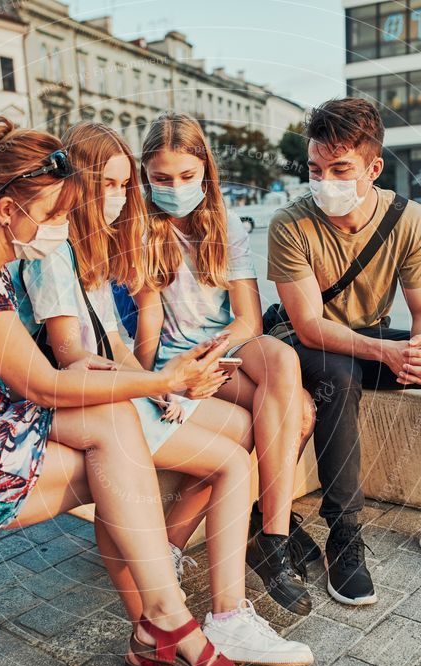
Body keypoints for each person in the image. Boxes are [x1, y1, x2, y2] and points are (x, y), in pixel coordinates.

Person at [0, 115, 252, 666]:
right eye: (56, 215)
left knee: (114, 428)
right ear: (9, 210)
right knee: (116, 447)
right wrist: (160, 380)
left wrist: (141, 379)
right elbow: (42, 384)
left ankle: (162, 621)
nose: (65, 227)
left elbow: (54, 372)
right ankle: (163, 625)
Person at [10, 120, 313, 666]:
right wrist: (157, 383)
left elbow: (118, 345)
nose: (119, 197)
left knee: (243, 434)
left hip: (116, 393)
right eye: (108, 184)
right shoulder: (53, 254)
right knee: (229, 460)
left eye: (125, 186)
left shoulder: (92, 250)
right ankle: (227, 612)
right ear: (73, 183)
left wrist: (158, 386)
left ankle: (210, 589)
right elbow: (69, 353)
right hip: (83, 405)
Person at [134, 111, 320, 617]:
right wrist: (160, 381)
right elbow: (148, 328)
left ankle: (273, 539)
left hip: (227, 348)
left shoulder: (226, 223)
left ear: (205, 173)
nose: (175, 187)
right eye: (162, 179)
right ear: (145, 176)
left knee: (281, 358)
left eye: (187, 177)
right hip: (179, 359)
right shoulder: (143, 230)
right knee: (299, 412)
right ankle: (251, 541)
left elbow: (248, 321)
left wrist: (214, 356)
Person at [267, 96, 421, 606]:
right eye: (316, 169)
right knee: (339, 376)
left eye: (340, 169)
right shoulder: (290, 225)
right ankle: (344, 535)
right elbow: (307, 324)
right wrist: (386, 353)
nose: (325, 181)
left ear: (374, 168)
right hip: (308, 344)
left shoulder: (407, 219)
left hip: (370, 339)